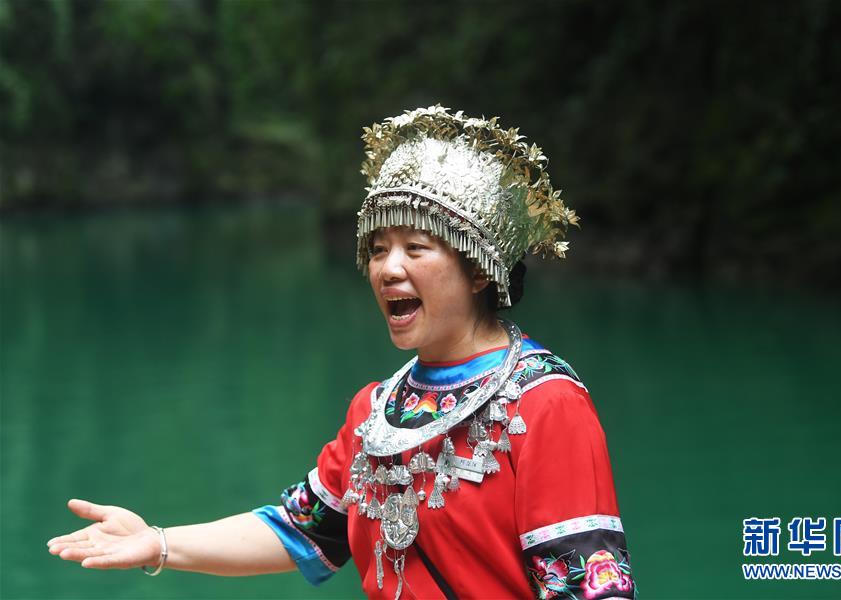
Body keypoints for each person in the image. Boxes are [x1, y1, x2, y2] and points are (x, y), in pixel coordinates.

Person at [47, 105, 635, 599]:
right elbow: (301, 530)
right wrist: (158, 542)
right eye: (378, 249)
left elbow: (593, 587)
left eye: (416, 248)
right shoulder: (376, 412)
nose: (389, 268)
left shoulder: (546, 406)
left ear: (479, 270)